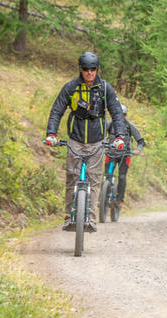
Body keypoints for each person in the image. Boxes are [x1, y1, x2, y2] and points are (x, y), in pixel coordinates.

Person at [44, 52, 126, 232]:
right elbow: (57, 110)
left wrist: (119, 136)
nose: (89, 73)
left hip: (97, 141)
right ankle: (68, 218)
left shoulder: (105, 89)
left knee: (94, 180)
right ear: (80, 69)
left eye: (93, 69)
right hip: (75, 139)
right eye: (86, 69)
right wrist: (51, 133)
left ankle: (91, 219)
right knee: (71, 178)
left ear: (97, 69)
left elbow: (117, 113)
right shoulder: (71, 87)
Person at [106, 104, 146, 210]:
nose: (120, 117)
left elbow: (141, 141)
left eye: (123, 115)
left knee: (122, 176)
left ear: (125, 115)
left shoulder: (130, 126)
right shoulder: (109, 125)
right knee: (107, 175)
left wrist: (138, 150)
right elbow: (99, 136)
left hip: (125, 155)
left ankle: (119, 200)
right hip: (111, 154)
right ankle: (104, 196)